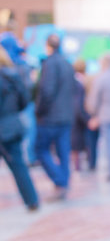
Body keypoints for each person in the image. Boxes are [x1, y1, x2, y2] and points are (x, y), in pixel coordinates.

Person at [35, 34, 75, 200]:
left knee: (40, 149)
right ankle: (63, 183)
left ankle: (60, 181)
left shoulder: (50, 63)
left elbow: (47, 91)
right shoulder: (67, 64)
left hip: (51, 117)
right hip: (65, 116)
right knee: (63, 152)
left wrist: (39, 111)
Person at [0, 45, 39, 211]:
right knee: (19, 165)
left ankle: (32, 200)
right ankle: (32, 200)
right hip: (13, 125)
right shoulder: (13, 75)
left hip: (6, 126)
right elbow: (25, 100)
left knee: (18, 165)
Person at [70, 59, 90, 171]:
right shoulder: (81, 82)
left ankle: (77, 167)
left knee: (76, 144)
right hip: (80, 113)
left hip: (73, 113)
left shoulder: (75, 81)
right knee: (78, 143)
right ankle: (78, 166)